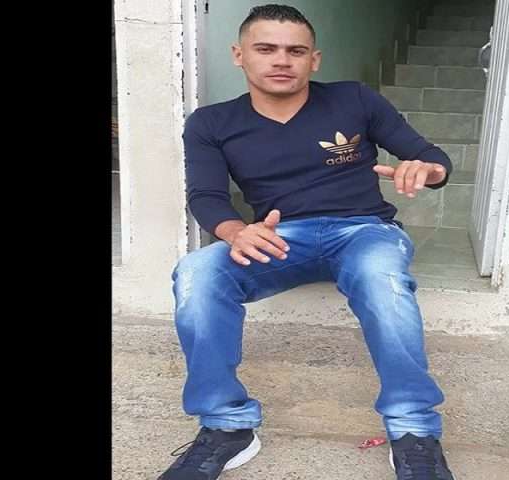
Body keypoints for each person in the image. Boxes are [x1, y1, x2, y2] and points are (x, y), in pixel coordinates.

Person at [159, 4, 456, 480]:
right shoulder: (211, 123)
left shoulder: (354, 99)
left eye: (295, 51)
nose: (282, 60)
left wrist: (428, 170)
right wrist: (236, 231)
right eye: (266, 48)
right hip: (280, 238)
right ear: (239, 55)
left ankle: (413, 430)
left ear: (313, 60)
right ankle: (226, 426)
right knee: (197, 271)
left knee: (381, 276)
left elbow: (429, 156)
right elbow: (206, 196)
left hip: (364, 231)